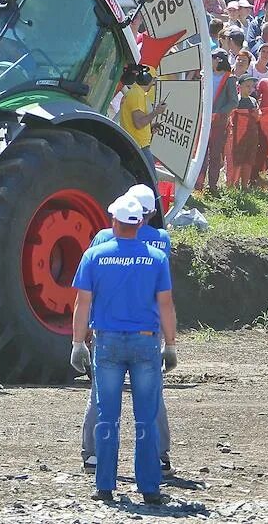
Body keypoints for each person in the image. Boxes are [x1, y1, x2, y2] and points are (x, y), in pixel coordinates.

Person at [71, 194, 176, 505]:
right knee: (146, 415)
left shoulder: (95, 256)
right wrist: (170, 345)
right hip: (145, 342)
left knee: (107, 416)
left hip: (108, 344)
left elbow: (82, 303)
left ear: (113, 222)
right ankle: (150, 489)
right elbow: (166, 305)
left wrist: (78, 343)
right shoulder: (156, 259)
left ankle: (104, 486)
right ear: (141, 222)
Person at [200, 49, 238, 191]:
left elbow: (234, 101)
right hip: (203, 119)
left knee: (215, 153)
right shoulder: (205, 75)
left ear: (218, 60)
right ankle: (198, 183)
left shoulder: (229, 78)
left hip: (218, 122)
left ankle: (212, 185)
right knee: (201, 152)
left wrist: (219, 112)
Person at [118, 64, 166, 162]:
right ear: (146, 79)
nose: (153, 84)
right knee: (148, 177)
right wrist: (156, 112)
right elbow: (139, 123)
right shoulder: (137, 95)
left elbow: (134, 121)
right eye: (153, 80)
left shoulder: (134, 93)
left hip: (134, 143)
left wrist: (150, 127)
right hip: (139, 146)